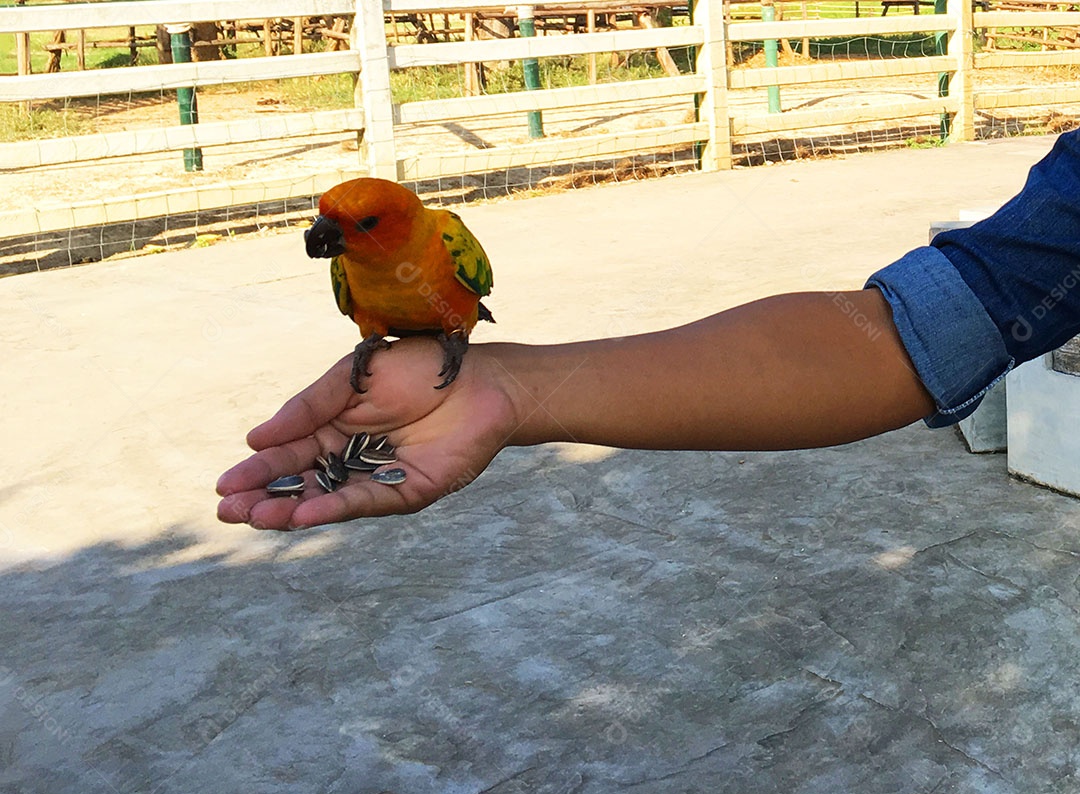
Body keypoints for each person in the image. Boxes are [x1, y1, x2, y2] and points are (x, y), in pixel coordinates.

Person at [217, 129, 1080, 531]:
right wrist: (504, 386)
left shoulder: (445, 241)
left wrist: (466, 342)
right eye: (330, 225)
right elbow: (925, 323)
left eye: (355, 227)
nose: (332, 238)